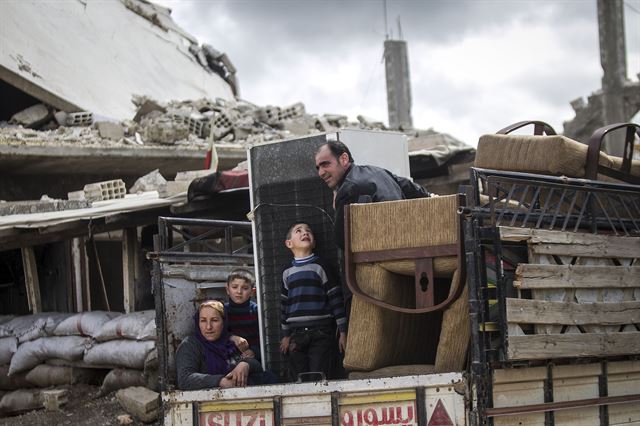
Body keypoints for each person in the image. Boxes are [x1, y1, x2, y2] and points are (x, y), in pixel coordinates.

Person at [314, 139, 432, 250]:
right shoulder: (378, 171)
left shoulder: (348, 188)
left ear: (344, 159)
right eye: (318, 168)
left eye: (325, 164)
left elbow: (342, 241)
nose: (320, 173)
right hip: (413, 244)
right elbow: (411, 188)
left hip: (385, 254)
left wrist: (336, 207)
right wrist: (432, 198)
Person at [279, 222, 347, 381]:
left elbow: (336, 299)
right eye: (298, 231)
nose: (305, 233)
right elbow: (283, 305)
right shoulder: (286, 272)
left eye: (308, 231)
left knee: (320, 375)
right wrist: (286, 335)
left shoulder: (321, 267)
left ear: (314, 242)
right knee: (299, 377)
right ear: (289, 243)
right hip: (296, 335)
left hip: (321, 332)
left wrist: (343, 332)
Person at [176, 300, 264, 390]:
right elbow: (185, 379)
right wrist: (220, 381)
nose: (208, 327)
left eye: (214, 320)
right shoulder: (190, 345)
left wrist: (246, 364)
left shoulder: (233, 343)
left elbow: (259, 368)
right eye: (203, 321)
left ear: (224, 322)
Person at [224, 269, 261, 361]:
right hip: (228, 356)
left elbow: (264, 337)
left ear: (252, 292)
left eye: (245, 288)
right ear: (227, 290)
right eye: (235, 287)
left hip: (253, 357)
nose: (239, 291)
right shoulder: (222, 311)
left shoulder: (257, 311)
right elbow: (218, 334)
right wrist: (232, 337)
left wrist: (254, 351)